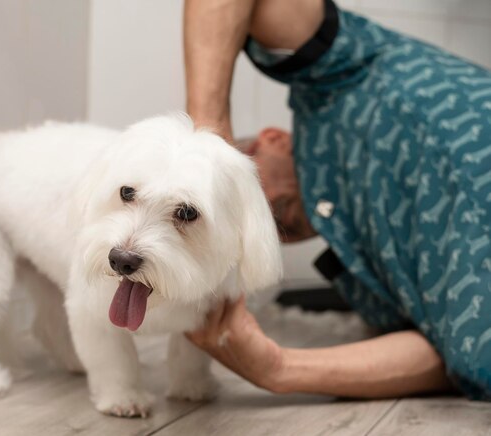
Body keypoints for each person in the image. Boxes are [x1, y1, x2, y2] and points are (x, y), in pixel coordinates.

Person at [184, 0, 491, 400]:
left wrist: (207, 141)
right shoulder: (371, 280)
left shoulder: (335, 77)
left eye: (242, 199)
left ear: (273, 139)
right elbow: (455, 350)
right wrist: (278, 368)